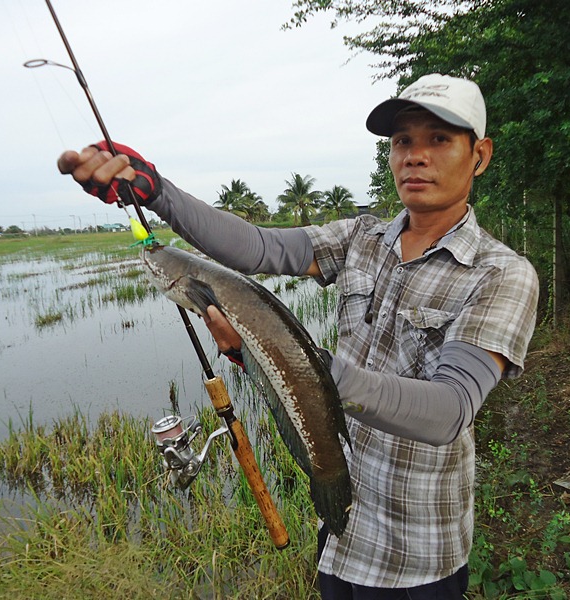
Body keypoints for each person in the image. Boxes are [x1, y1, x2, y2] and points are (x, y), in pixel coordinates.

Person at [58, 73, 539, 599]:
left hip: (416, 551)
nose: (415, 156)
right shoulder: (363, 237)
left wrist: (297, 364)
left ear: (480, 155)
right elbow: (259, 249)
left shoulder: (501, 274)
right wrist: (158, 193)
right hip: (340, 530)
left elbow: (449, 410)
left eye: (439, 139)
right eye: (403, 140)